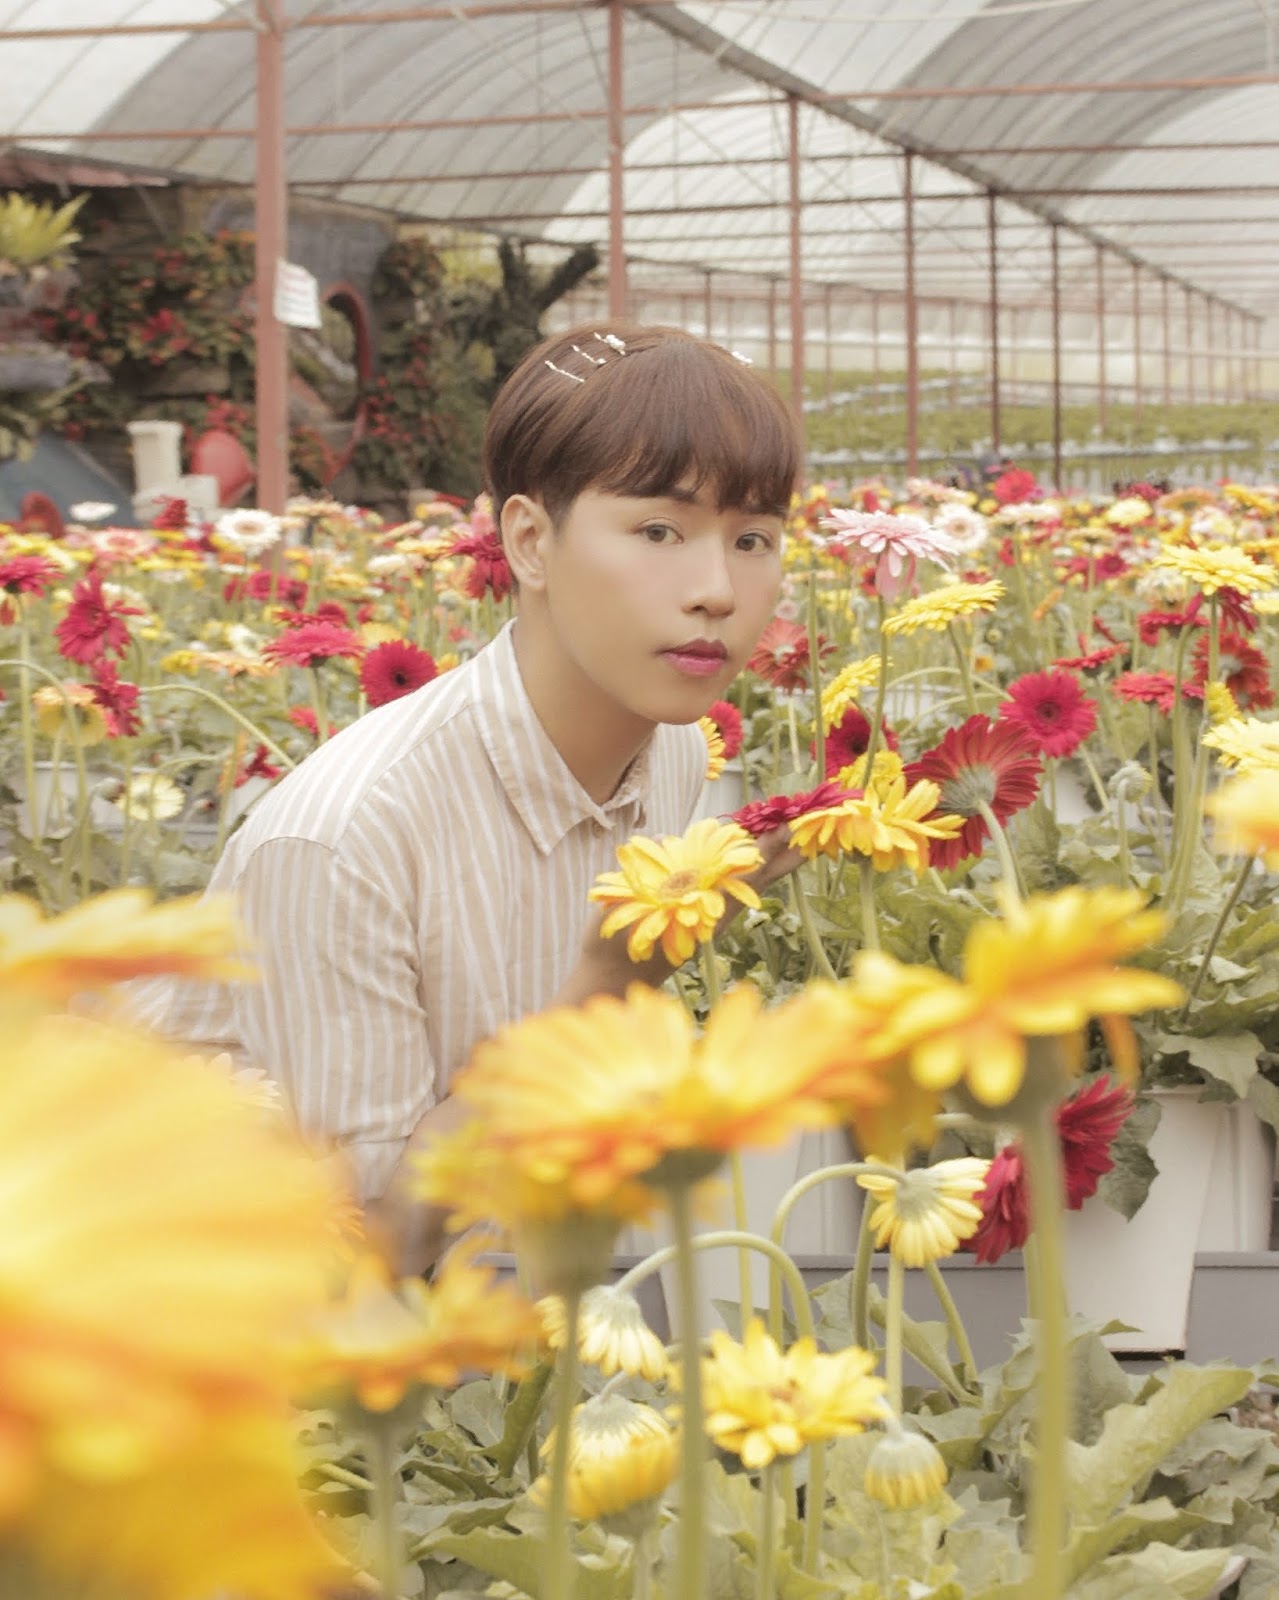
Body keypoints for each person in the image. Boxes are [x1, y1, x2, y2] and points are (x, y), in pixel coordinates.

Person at [127, 322, 803, 1269]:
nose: (716, 591)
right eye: (659, 530)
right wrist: (604, 987)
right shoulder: (342, 839)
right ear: (528, 540)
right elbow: (374, 1255)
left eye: (753, 538)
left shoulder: (675, 754)